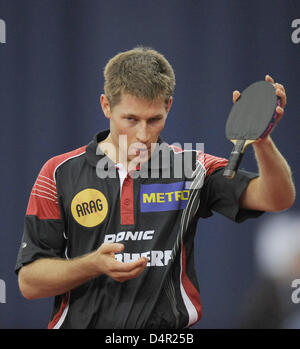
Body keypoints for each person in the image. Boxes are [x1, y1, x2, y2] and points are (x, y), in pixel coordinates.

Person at [15, 46, 295, 329]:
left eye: (154, 120)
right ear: (106, 106)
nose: (143, 134)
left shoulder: (192, 168)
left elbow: (276, 199)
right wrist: (92, 265)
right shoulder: (58, 173)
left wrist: (261, 140)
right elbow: (30, 283)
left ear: (168, 106)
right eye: (131, 119)